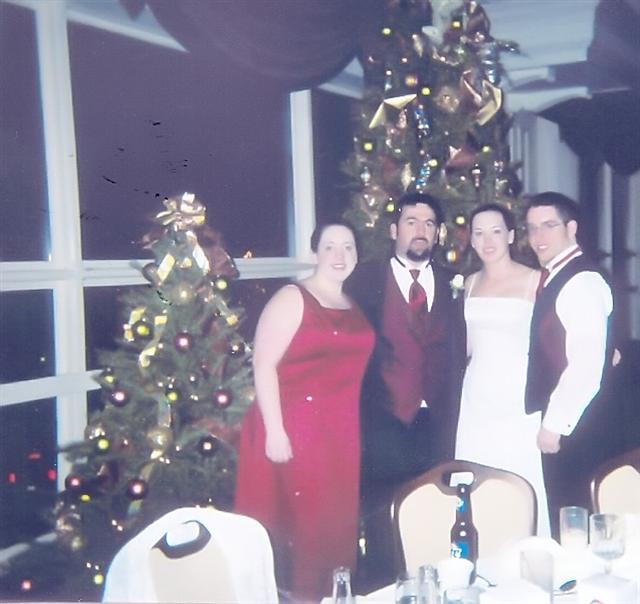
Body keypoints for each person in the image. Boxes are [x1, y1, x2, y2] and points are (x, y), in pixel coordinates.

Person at [234, 221, 374, 603]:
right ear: (315, 252)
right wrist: (275, 432)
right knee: (303, 530)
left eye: (348, 246)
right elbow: (263, 364)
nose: (340, 255)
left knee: (332, 527)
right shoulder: (293, 297)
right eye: (330, 246)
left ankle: (330, 596)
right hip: (293, 430)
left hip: (338, 434)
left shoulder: (350, 303)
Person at [345, 192, 466, 583]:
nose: (421, 231)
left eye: (429, 223)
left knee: (435, 511)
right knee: (382, 516)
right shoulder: (363, 280)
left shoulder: (454, 283)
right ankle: (386, 587)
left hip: (437, 421)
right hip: (383, 418)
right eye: (412, 222)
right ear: (394, 229)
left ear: (439, 232)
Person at [455, 203, 550, 536]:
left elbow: (560, 333)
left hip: (518, 399)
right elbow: (464, 346)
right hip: (476, 399)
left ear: (510, 235)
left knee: (521, 480)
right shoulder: (469, 283)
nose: (488, 241)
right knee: (478, 481)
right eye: (479, 233)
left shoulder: (535, 280)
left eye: (496, 231)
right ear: (471, 239)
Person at [524, 192, 614, 536]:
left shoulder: (581, 281)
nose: (538, 236)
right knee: (570, 518)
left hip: (581, 425)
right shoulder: (557, 275)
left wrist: (555, 424)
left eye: (548, 225)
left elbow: (586, 363)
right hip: (575, 423)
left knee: (579, 521)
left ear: (571, 228)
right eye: (532, 228)